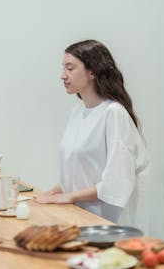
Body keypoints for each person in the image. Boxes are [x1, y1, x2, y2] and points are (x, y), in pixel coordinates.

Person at [34, 39, 150, 233]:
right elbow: (81, 170)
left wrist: (70, 196)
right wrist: (56, 190)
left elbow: (117, 181)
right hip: (78, 217)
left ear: (92, 72)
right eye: (63, 68)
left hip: (107, 223)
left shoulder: (113, 113)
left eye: (70, 68)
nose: (63, 76)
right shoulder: (77, 111)